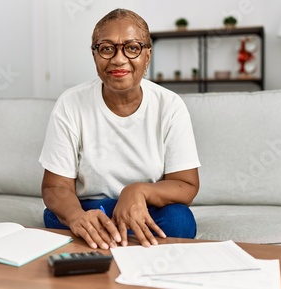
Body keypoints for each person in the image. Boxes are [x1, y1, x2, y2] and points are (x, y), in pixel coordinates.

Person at [39, 8, 200, 250]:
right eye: (106, 48)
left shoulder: (170, 105)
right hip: (92, 209)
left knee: (179, 221)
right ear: (95, 55)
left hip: (147, 209)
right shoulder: (71, 103)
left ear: (147, 56)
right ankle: (113, 236)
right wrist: (76, 217)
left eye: (132, 48)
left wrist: (138, 192)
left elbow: (187, 186)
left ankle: (108, 239)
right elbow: (54, 187)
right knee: (55, 217)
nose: (118, 59)